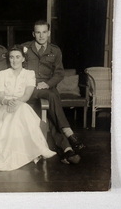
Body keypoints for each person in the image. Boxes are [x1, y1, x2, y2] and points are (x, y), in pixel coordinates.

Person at [0, 45, 56, 171]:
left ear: (23, 59)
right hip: (4, 105)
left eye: (17, 57)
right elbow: (0, 96)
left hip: (21, 104)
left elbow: (27, 95)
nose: (14, 60)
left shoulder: (29, 74)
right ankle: (10, 155)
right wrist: (7, 101)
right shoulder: (2, 74)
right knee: (4, 116)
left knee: (21, 112)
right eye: (12, 57)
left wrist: (17, 102)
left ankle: (35, 150)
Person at [20, 20, 85, 164]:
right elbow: (14, 63)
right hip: (30, 89)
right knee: (51, 97)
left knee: (49, 114)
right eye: (38, 32)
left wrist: (47, 84)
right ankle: (69, 133)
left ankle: (67, 150)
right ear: (33, 34)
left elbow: (59, 73)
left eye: (44, 32)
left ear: (48, 33)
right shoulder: (24, 48)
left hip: (48, 88)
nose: (41, 36)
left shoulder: (55, 50)